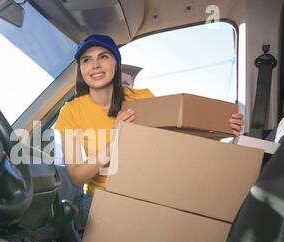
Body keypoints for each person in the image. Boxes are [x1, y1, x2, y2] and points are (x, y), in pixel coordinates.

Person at [54, 34, 244, 221]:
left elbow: (175, 144)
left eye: (103, 56)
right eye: (87, 60)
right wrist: (114, 144)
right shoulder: (71, 112)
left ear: (116, 64)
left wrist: (220, 131)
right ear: (80, 68)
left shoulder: (141, 98)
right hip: (101, 200)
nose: (95, 65)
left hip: (148, 195)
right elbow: (76, 177)